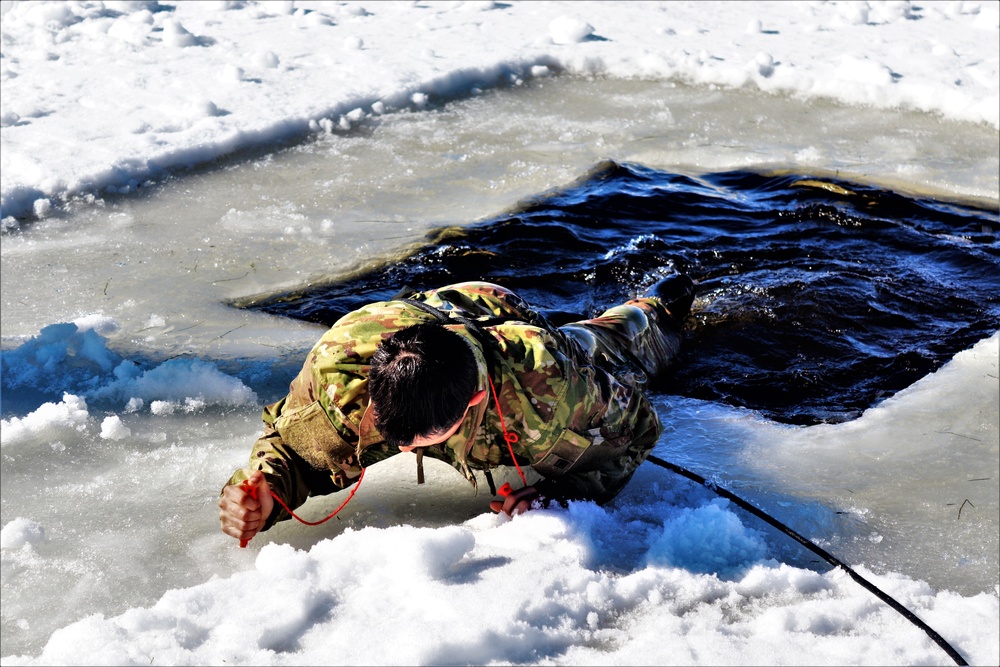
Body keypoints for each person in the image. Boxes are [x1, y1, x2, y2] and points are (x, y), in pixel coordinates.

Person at [219, 276, 695, 545]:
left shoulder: (543, 384)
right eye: (393, 434)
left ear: (471, 405)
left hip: (509, 325)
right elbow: (290, 447)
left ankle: (659, 303)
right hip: (438, 317)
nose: (402, 449)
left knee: (618, 345)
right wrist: (265, 492)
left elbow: (637, 432)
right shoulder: (342, 370)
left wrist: (562, 497)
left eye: (419, 439)